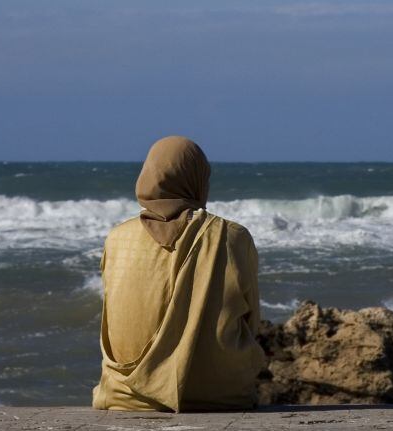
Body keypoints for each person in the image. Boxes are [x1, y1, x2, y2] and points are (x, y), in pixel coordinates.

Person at [92, 136, 265, 412]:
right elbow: (252, 320)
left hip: (126, 397)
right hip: (219, 394)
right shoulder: (232, 237)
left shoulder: (116, 238)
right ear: (198, 179)